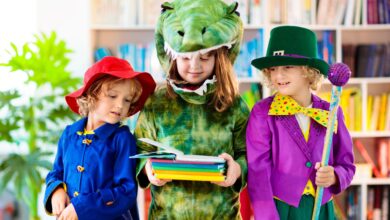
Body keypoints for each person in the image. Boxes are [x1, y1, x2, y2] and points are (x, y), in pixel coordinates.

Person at [134, 0, 249, 219]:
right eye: (185, 57)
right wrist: (147, 169)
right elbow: (139, 149)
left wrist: (237, 170)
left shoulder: (234, 104)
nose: (194, 66)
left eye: (205, 57)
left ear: (220, 57)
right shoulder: (156, 103)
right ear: (171, 55)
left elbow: (250, 154)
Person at [246, 26, 356, 220]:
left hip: (322, 209)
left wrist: (335, 175)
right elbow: (258, 173)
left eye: (287, 67)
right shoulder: (262, 113)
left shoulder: (332, 112)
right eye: (273, 69)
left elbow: (347, 165)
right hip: (280, 210)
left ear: (308, 71)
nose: (278, 76)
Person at [43, 56, 156, 220]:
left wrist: (83, 206)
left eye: (127, 100)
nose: (120, 105)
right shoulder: (69, 134)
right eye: (112, 96)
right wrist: (56, 190)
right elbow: (56, 173)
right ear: (91, 95)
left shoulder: (123, 139)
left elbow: (127, 191)